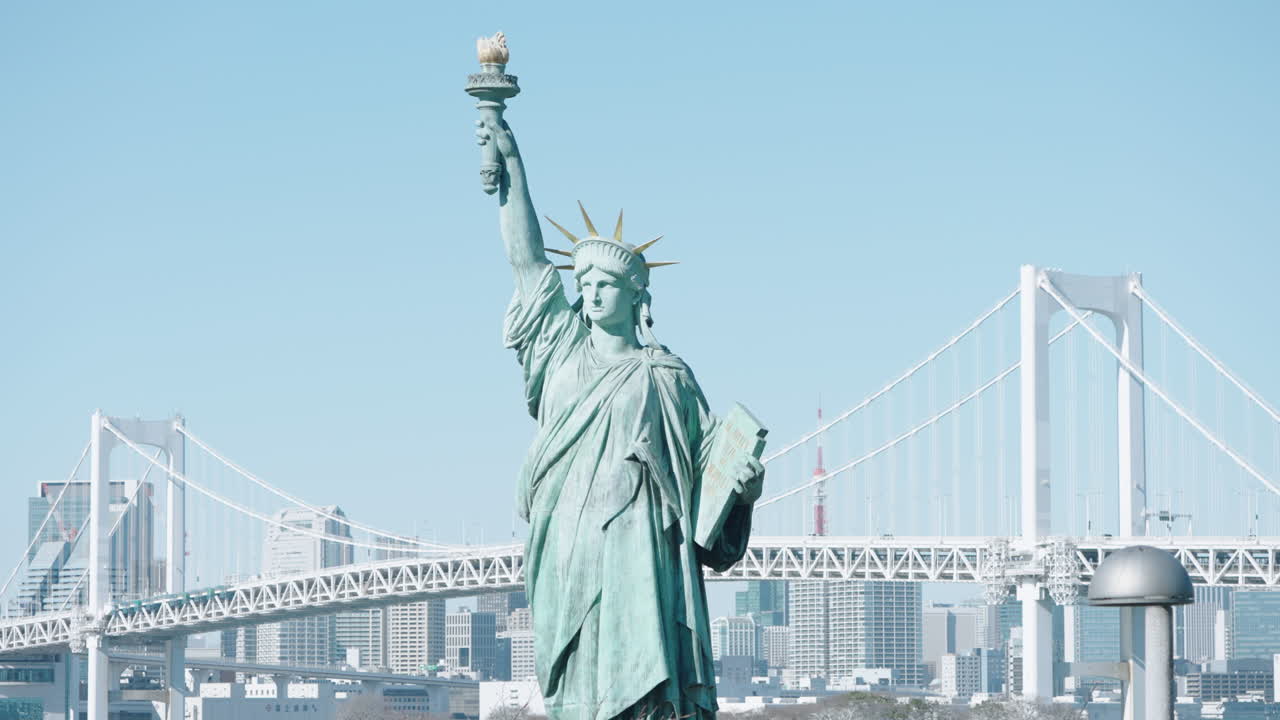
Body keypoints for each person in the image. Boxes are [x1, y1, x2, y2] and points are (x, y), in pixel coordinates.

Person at [475, 115, 765, 720]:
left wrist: (744, 489)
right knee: (579, 690)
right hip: (569, 546)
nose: (593, 292)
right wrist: (514, 166)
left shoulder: (669, 376)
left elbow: (710, 482)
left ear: (638, 296)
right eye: (584, 282)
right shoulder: (559, 352)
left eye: (606, 283)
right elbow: (528, 264)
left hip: (645, 555)